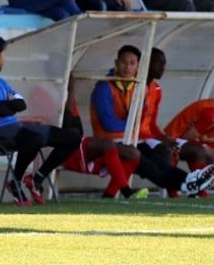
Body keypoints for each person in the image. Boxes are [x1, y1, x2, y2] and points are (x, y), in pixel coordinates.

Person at [0, 33, 82, 205]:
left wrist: (1, 106)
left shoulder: (0, 83)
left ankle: (36, 178)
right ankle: (15, 183)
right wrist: (2, 106)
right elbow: (0, 109)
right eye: (3, 54)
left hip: (16, 129)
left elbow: (21, 104)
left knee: (72, 138)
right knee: (32, 138)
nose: (4, 58)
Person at [90, 45, 214, 195]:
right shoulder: (104, 87)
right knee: (148, 161)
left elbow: (145, 121)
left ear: (137, 66)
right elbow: (110, 125)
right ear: (116, 63)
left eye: (132, 63)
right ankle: (185, 185)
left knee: (159, 159)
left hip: (133, 139)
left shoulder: (136, 87)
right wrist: (138, 129)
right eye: (124, 62)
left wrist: (157, 136)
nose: (128, 67)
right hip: (109, 143)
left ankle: (190, 181)